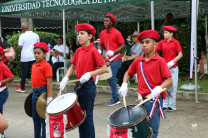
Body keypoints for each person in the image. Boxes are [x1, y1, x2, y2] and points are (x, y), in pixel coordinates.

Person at [118, 30, 173, 138]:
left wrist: (159, 88)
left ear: (155, 44)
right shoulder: (138, 61)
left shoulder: (160, 61)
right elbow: (128, 73)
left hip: (154, 100)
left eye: (147, 42)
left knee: (152, 130)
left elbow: (169, 80)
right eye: (142, 42)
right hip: (141, 100)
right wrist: (124, 83)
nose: (143, 45)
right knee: (140, 129)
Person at [60, 23, 107, 138]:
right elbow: (72, 66)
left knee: (87, 117)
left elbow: (104, 68)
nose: (79, 36)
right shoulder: (78, 51)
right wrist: (66, 78)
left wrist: (90, 74)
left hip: (88, 87)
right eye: (78, 34)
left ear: (90, 36)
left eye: (82, 34)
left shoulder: (93, 51)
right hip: (78, 87)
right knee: (79, 118)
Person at [99, 13, 126, 106]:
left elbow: (123, 45)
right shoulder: (102, 33)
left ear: (112, 22)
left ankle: (115, 98)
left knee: (111, 77)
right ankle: (115, 96)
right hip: (107, 59)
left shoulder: (117, 33)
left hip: (116, 58)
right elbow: (101, 43)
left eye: (107, 21)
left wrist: (114, 52)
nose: (104, 22)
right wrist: (99, 50)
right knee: (109, 78)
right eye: (104, 21)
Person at [156, 26, 183, 111]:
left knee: (173, 85)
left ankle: (172, 105)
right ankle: (165, 104)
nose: (164, 34)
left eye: (166, 32)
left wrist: (172, 62)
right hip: (164, 67)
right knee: (164, 85)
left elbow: (180, 54)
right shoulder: (162, 42)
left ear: (171, 34)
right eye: (164, 32)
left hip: (173, 67)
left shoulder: (176, 42)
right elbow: (155, 50)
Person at [31, 42, 53, 138]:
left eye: (38, 53)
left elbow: (49, 82)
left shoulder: (47, 66)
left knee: (43, 119)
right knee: (35, 118)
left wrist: (49, 98)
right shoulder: (33, 65)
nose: (36, 55)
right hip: (34, 93)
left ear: (45, 54)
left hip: (43, 93)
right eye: (35, 53)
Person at [15, 23, 40, 93]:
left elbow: (20, 47)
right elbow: (38, 45)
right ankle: (37, 87)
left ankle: (22, 88)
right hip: (35, 57)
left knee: (24, 73)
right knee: (35, 72)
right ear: (28, 27)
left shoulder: (22, 36)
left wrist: (18, 45)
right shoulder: (36, 35)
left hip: (25, 57)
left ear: (23, 28)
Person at [0, 47, 14, 138]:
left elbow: (11, 77)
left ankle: (1, 134)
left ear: (1, 56)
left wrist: (1, 82)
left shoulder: (2, 66)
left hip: (2, 93)